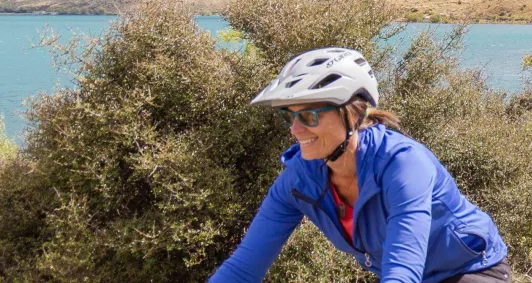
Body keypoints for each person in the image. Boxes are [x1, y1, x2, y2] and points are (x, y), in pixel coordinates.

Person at [210, 47, 510, 283]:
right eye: (289, 116)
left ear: (352, 114)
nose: (295, 130)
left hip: (470, 270)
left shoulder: (403, 164)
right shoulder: (299, 180)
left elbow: (402, 271)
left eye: (310, 116)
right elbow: (242, 270)